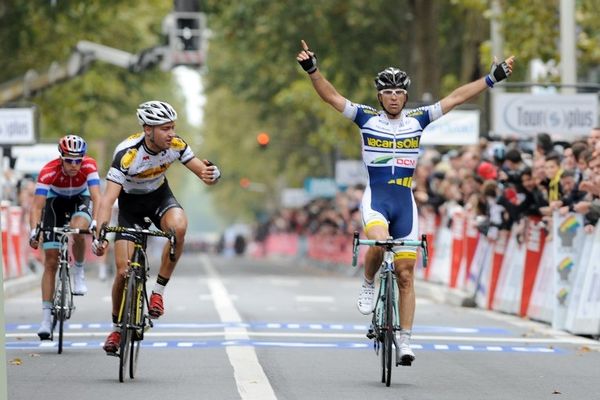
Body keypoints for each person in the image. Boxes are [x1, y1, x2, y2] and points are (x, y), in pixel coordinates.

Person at [296, 39, 514, 365]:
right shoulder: (366, 118)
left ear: (406, 96)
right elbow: (331, 96)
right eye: (388, 93)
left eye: (399, 92)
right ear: (379, 96)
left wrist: (491, 78)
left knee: (406, 274)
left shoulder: (419, 119)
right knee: (380, 242)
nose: (394, 98)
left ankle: (406, 340)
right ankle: (368, 281)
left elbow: (455, 98)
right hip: (377, 199)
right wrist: (313, 70)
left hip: (405, 202)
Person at [92, 100, 221, 355]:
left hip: (160, 198)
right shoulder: (127, 154)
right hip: (130, 206)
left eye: (172, 127)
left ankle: (158, 293)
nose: (171, 133)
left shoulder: (176, 145)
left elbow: (203, 174)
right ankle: (117, 328)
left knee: (179, 228)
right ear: (147, 129)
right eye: (165, 128)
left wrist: (213, 175)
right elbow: (108, 200)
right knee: (122, 271)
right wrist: (100, 234)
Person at [28, 135, 101, 340]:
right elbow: (37, 206)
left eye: (78, 160)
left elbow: (97, 196)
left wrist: (95, 222)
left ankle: (78, 271)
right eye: (69, 160)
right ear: (61, 158)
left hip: (80, 199)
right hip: (55, 203)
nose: (74, 165)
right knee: (50, 261)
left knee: (78, 230)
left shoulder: (89, 166)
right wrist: (34, 231)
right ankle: (45, 320)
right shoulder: (49, 170)